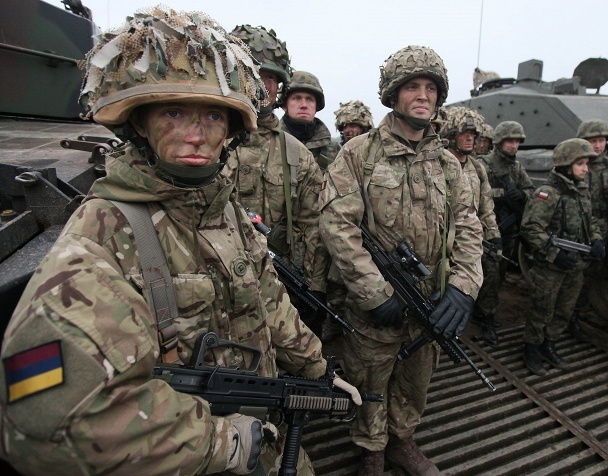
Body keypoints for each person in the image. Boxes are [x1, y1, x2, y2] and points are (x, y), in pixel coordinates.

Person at [0, 9, 359, 475]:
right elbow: (40, 424)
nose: (196, 135)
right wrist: (221, 443)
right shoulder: (103, 234)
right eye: (173, 112)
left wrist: (318, 369)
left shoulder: (224, 209)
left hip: (261, 440)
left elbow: (269, 302)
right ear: (140, 123)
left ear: (232, 129)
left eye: (213, 115)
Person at [319, 45, 483, 476]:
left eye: (431, 88)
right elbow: (337, 224)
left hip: (430, 301)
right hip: (377, 304)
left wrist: (464, 287)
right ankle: (371, 451)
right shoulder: (359, 154)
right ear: (393, 95)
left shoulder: (448, 164)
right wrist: (374, 291)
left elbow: (469, 225)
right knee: (369, 380)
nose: (423, 95)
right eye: (412, 87)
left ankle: (402, 441)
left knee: (416, 380)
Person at [226, 25, 329, 335]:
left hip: (278, 291)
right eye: (251, 72)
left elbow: (314, 226)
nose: (260, 84)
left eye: (269, 78)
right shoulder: (202, 142)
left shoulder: (296, 154)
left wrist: (315, 288)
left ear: (279, 87)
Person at [519, 138, 605, 376]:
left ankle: (549, 343)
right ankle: (531, 348)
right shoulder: (548, 193)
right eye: (580, 163)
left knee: (564, 309)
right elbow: (530, 228)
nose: (585, 169)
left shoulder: (581, 191)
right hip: (550, 267)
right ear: (566, 165)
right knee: (542, 309)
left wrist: (596, 239)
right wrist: (554, 254)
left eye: (586, 163)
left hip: (576, 264)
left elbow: (590, 221)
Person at [442, 106, 501, 346]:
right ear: (451, 135)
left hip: (474, 236)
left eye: (473, 134)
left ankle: (486, 318)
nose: (469, 139)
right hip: (446, 237)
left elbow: (486, 205)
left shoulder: (477, 168)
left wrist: (493, 234)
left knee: (490, 273)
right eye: (464, 133)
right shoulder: (439, 164)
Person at [569, 119, 608, 342]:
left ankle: (574, 316)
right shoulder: (572, 166)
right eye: (592, 140)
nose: (597, 145)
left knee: (590, 277)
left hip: (600, 233)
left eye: (601, 140)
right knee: (569, 278)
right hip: (574, 231)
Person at [321, 100, 376, 342]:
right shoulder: (332, 153)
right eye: (345, 126)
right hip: (339, 224)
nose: (350, 130)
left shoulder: (373, 153)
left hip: (368, 228)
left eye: (355, 125)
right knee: (336, 281)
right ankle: (335, 320)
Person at [478, 121, 535, 273]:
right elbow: (473, 194)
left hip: (509, 231)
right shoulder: (483, 165)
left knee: (502, 271)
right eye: (510, 141)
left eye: (517, 141)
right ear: (499, 141)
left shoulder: (517, 167)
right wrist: (500, 193)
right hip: (487, 230)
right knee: (488, 274)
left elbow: (531, 191)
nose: (514, 146)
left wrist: (522, 194)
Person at [280, 70, 340, 171]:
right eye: (297, 98)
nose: (304, 105)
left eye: (309, 99)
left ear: (317, 106)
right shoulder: (270, 142)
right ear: (284, 105)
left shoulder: (333, 149)